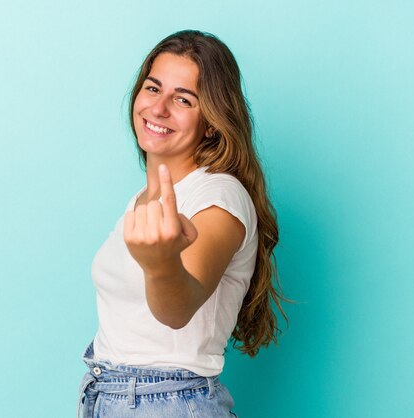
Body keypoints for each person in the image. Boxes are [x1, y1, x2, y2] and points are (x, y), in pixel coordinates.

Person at [78, 29, 288, 417]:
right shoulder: (143, 200)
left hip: (166, 403)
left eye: (183, 99)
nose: (158, 109)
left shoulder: (219, 197)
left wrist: (160, 264)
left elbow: (179, 309)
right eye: (153, 89)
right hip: (113, 396)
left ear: (212, 122)